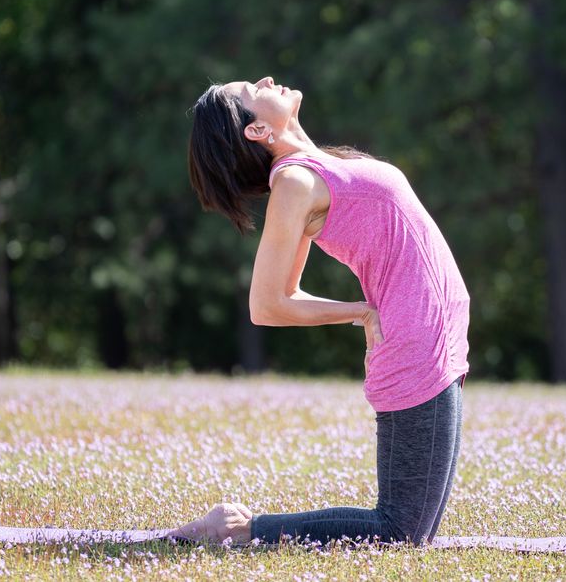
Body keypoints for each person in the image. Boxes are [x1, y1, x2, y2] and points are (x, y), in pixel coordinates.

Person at [170, 76, 470, 547]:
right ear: (255, 131)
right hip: (414, 348)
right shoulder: (293, 181)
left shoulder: (315, 167)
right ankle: (237, 528)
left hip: (438, 341)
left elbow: (289, 290)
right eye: (251, 90)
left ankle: (243, 528)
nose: (266, 80)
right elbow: (268, 304)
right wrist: (362, 312)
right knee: (401, 531)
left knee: (415, 531)